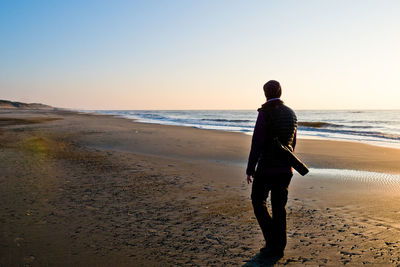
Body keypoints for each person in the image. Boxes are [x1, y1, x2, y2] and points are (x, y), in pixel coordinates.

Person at [246, 80, 297, 258]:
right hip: (285, 169)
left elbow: (257, 142)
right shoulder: (291, 113)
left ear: (265, 93)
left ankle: (272, 241)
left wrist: (250, 168)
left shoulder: (265, 113)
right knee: (279, 207)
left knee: (258, 201)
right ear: (280, 92)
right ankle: (279, 247)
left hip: (267, 168)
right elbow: (293, 143)